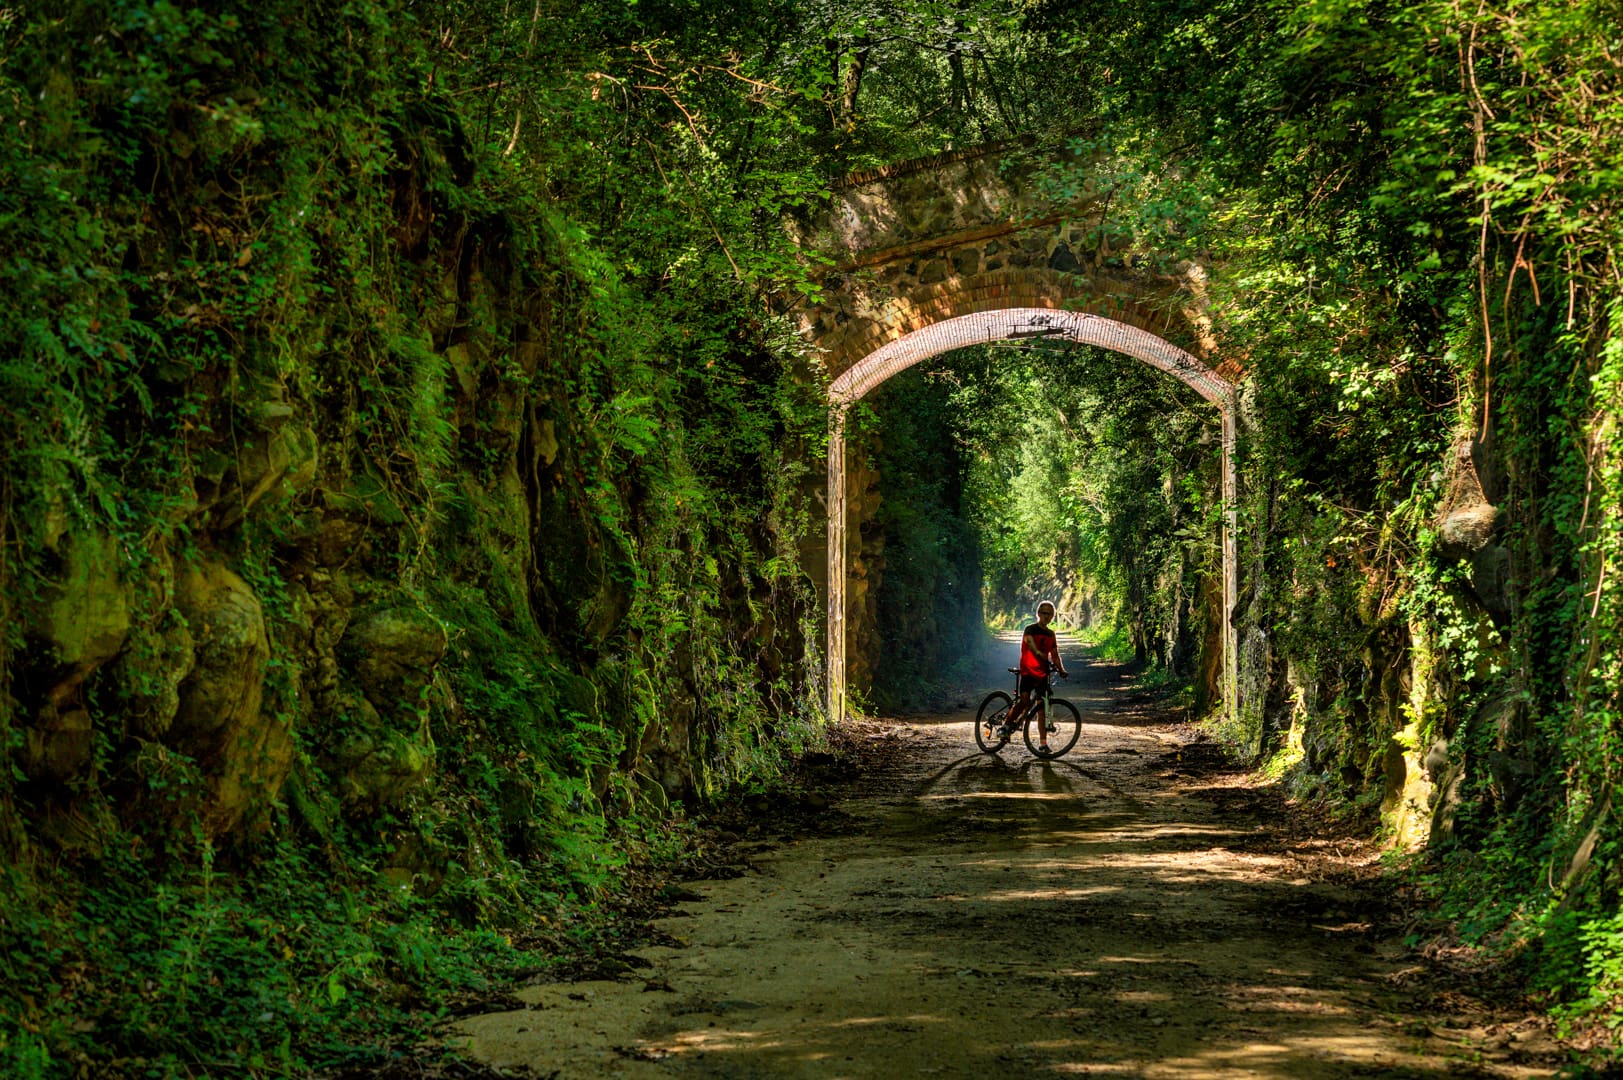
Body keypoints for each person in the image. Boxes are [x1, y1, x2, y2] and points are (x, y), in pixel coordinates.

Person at [1003, 601, 1069, 752]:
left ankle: (1043, 743)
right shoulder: (1030, 629)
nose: (1047, 616)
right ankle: (1006, 725)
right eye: (1045, 613)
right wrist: (1038, 653)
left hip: (1042, 674)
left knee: (1042, 709)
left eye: (1050, 614)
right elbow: (1030, 644)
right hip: (1027, 671)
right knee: (1024, 701)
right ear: (1038, 614)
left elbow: (1055, 655)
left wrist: (1061, 670)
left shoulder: (1051, 634)